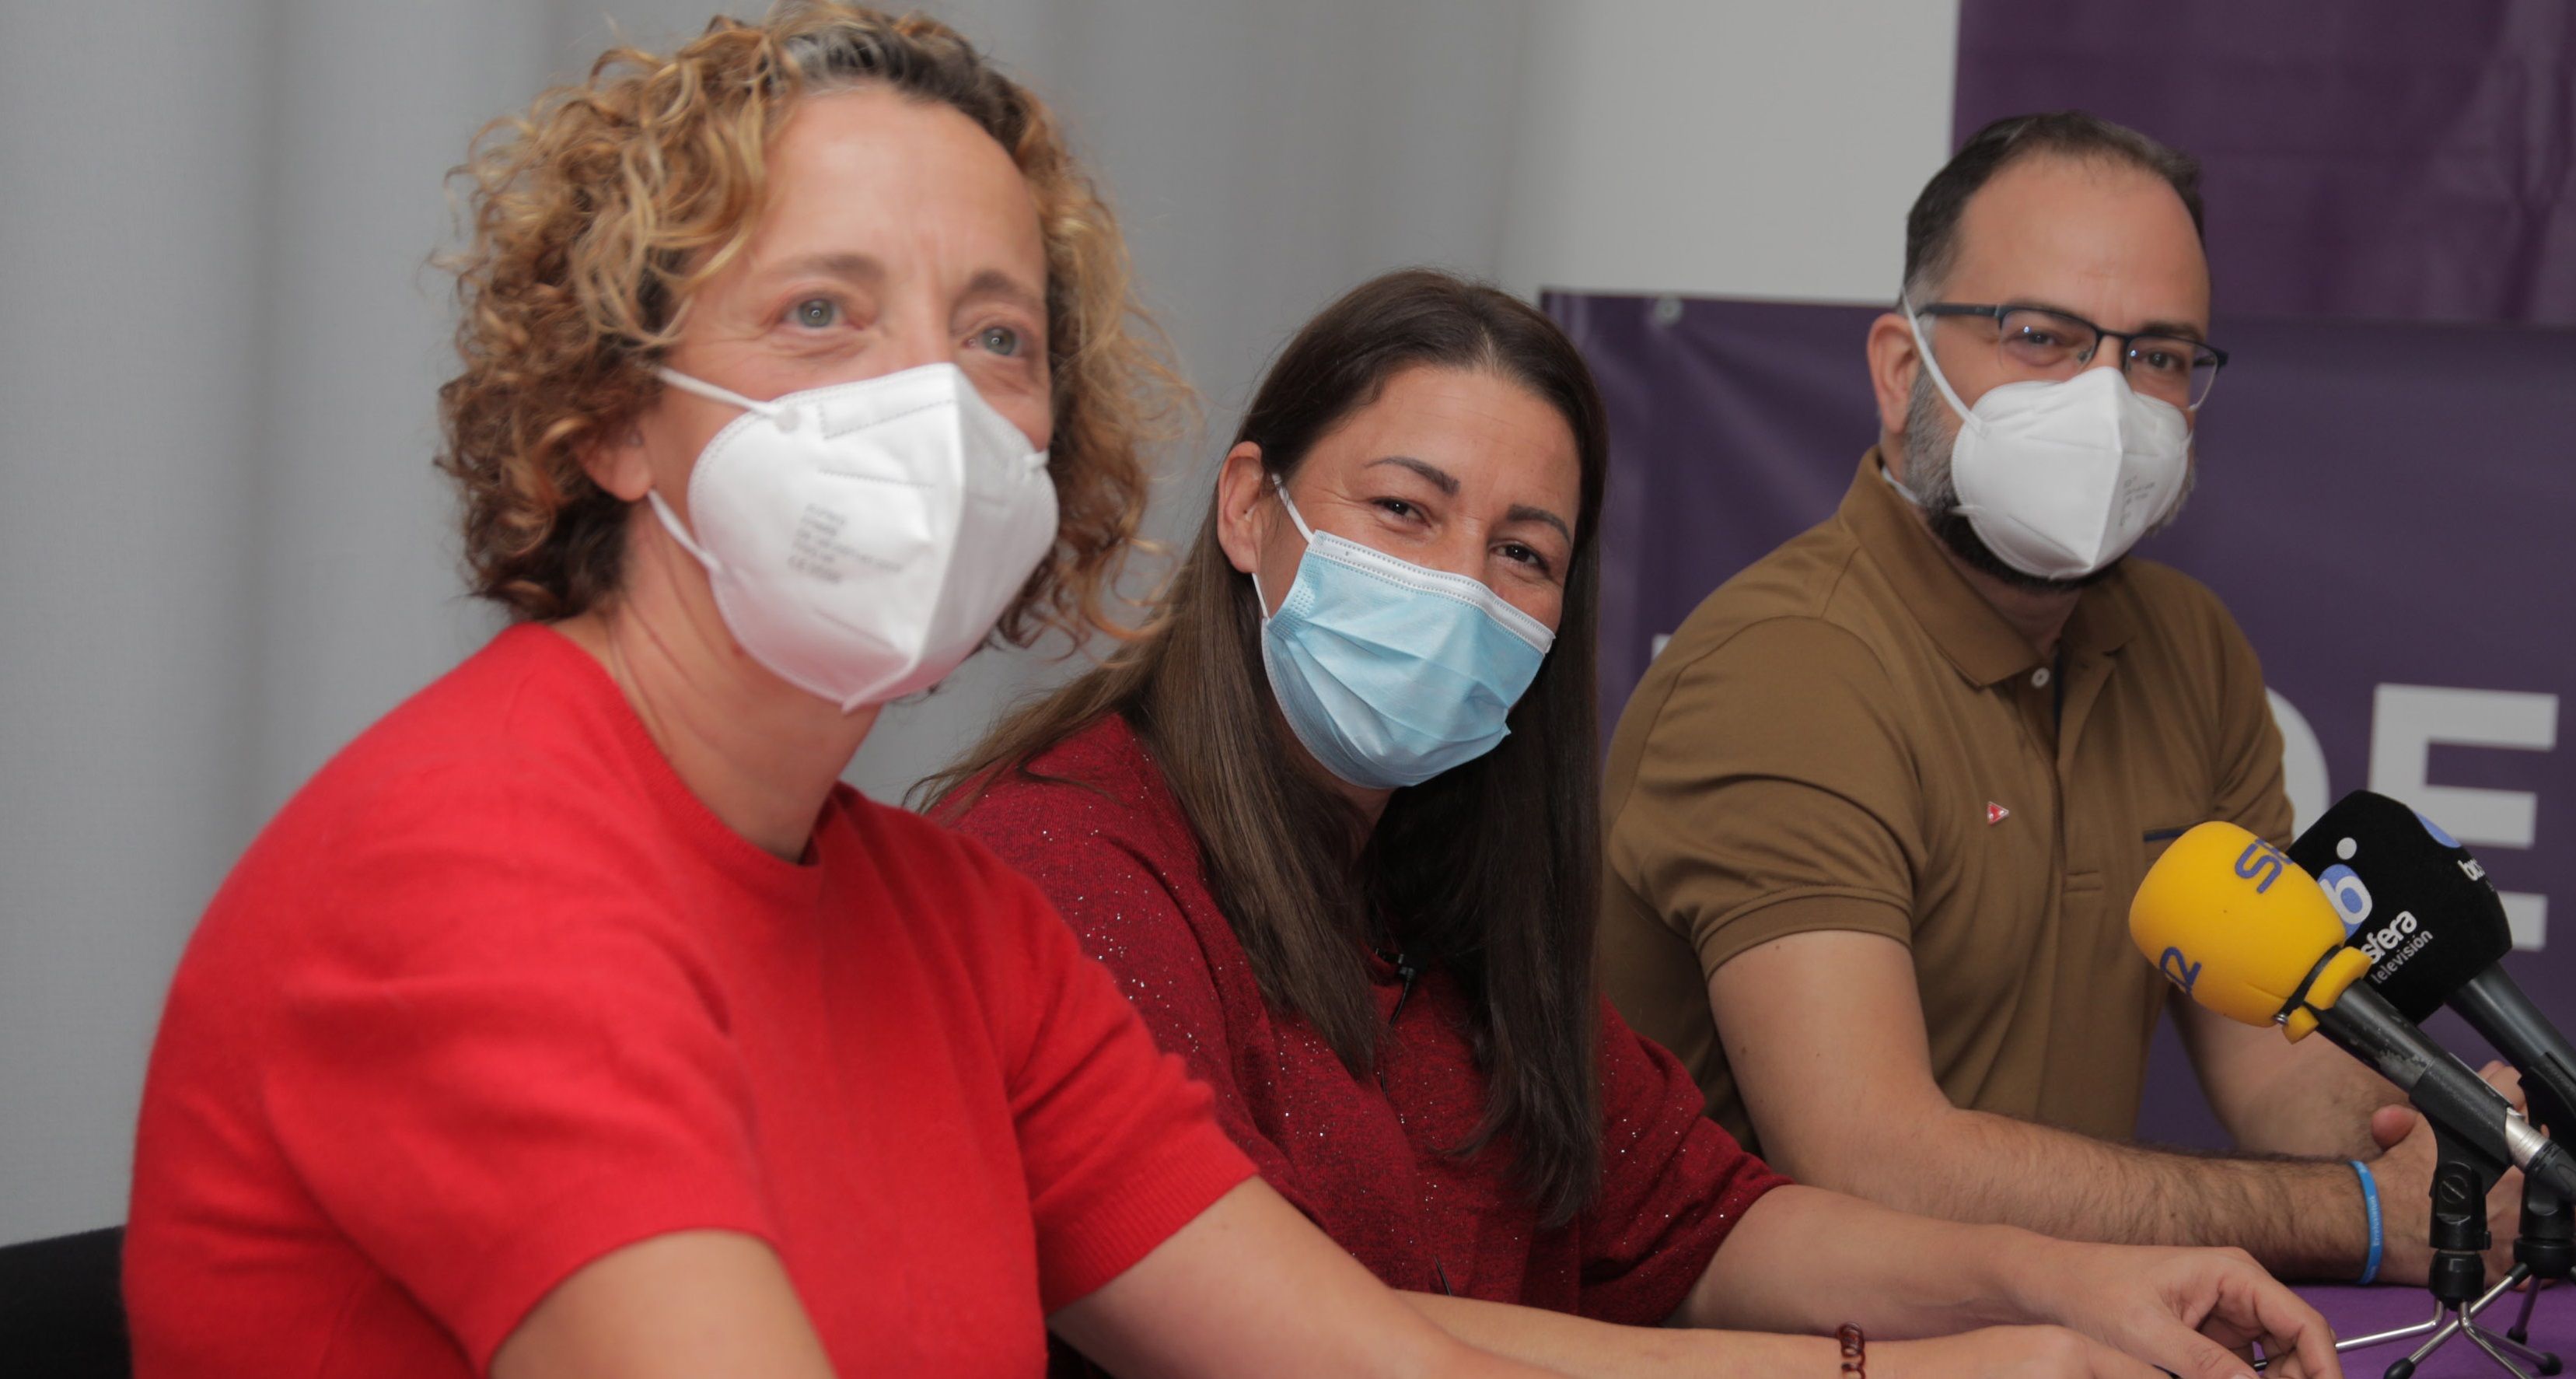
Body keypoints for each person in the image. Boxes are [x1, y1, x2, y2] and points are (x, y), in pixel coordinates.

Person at [124, 10, 1564, 1378]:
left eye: (996, 337)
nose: (931, 403)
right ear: (618, 411)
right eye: (822, 310)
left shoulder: (960, 925)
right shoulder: (469, 867)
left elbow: (1359, 1357)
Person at [929, 268, 2342, 1379]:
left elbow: (1709, 1220)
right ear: (1251, 505)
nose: (1459, 585)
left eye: (1522, 552)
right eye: (1405, 510)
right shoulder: (1068, 870)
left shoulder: (1443, 878)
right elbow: (1331, 1343)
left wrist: (2062, 1279)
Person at [1596, 111, 2576, 1286]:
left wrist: (2446, 1143)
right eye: (2042, 336)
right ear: (1899, 368)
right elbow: (1871, 1162)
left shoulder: (2187, 647)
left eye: (2158, 355)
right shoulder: (1780, 672)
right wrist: (2361, 1212)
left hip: (2065, 1336)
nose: (2106, 404)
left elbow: (2270, 1055)